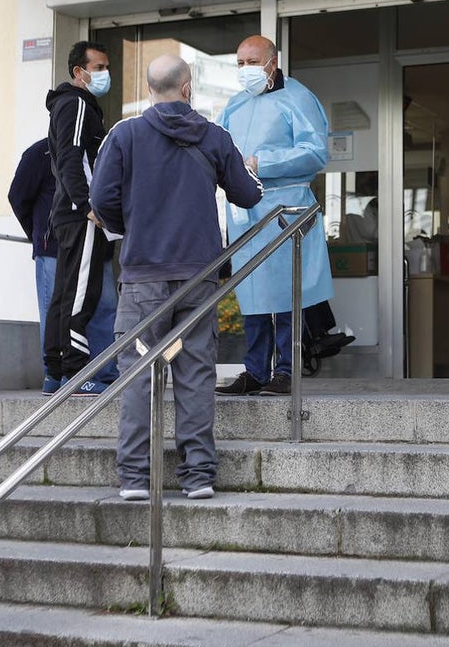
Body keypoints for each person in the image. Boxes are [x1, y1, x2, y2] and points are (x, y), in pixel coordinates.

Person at [91, 54, 263, 501]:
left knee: (138, 374)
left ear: (151, 88)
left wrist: (132, 227)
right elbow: (247, 195)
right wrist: (252, 172)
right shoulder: (214, 137)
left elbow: (101, 198)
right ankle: (198, 476)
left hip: (144, 280)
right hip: (198, 280)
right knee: (195, 372)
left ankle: (134, 478)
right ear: (188, 89)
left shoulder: (124, 135)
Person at [215, 35, 333, 397]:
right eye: (240, 63)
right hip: (244, 212)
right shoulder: (234, 105)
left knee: (285, 292)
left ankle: (285, 368)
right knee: (251, 291)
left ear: (273, 61)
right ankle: (254, 369)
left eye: (253, 61)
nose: (246, 70)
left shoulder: (298, 98)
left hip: (285, 208)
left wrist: (261, 162)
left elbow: (315, 152)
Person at [7, 138, 118, 394]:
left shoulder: (99, 151)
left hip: (97, 246)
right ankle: (55, 374)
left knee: (104, 307)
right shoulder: (39, 153)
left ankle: (105, 371)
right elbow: (18, 197)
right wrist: (38, 234)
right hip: (56, 248)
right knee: (55, 310)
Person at [44, 40, 115, 396]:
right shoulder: (76, 104)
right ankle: (74, 371)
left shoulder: (69, 105)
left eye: (105, 67)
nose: (105, 75)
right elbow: (72, 158)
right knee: (78, 296)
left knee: (64, 292)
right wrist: (89, 205)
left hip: (69, 214)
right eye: (99, 68)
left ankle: (55, 371)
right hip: (81, 215)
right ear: (79, 72)